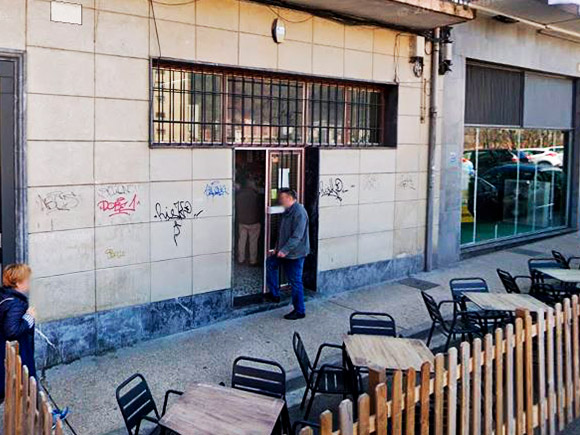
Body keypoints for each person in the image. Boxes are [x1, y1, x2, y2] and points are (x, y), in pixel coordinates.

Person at [265, 188, 310, 320]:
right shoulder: (288, 211)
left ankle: (299, 310)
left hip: (295, 253)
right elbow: (282, 232)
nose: (280, 200)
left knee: (295, 281)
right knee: (270, 263)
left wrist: (284, 250)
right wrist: (277, 248)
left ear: (290, 198)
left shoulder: (299, 212)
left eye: (282, 198)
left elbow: (297, 236)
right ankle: (275, 294)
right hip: (284, 250)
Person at [0, 264, 36, 402]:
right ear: (18, 283)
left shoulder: (5, 295)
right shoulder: (16, 303)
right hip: (19, 350)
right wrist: (29, 318)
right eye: (27, 280)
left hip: (8, 349)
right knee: (27, 381)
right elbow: (12, 331)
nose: (29, 283)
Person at [236, 179, 262, 266]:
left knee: (241, 241)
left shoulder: (239, 195)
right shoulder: (256, 196)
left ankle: (241, 259)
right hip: (254, 222)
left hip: (242, 221)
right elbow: (260, 208)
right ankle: (253, 261)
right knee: (253, 242)